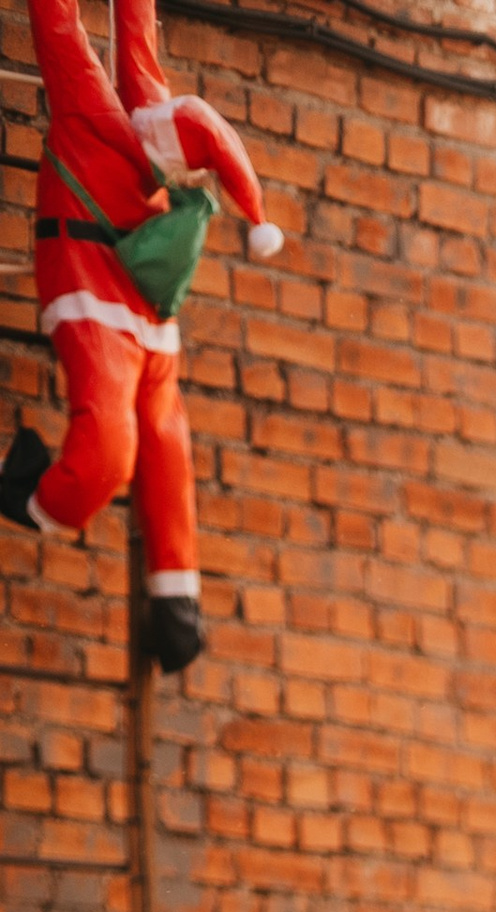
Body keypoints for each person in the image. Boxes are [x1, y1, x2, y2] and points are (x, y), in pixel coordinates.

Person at [0, 0, 283, 676]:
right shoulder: (95, 117)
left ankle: (177, 598)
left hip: (148, 313)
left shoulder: (158, 133)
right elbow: (59, 24)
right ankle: (33, 496)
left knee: (167, 444)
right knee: (111, 448)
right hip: (89, 285)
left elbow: (138, 34)